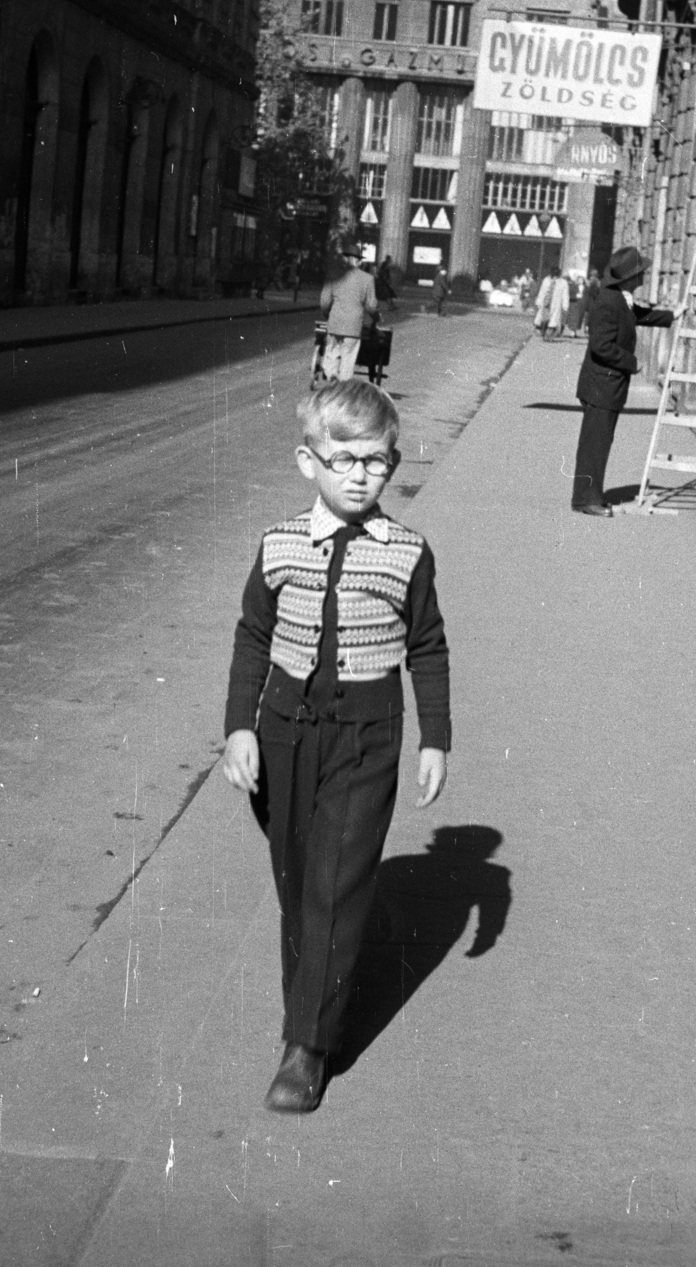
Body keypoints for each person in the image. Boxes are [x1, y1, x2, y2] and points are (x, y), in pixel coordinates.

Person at [221, 379, 450, 1113]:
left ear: (394, 465)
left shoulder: (407, 553)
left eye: (376, 462)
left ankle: (306, 1049)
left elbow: (429, 647)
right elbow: (253, 636)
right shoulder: (281, 544)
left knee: (334, 884)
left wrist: (434, 739)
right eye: (343, 458)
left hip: (367, 738)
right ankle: (311, 1006)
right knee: (297, 880)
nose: (358, 475)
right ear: (306, 460)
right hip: (285, 735)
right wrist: (239, 728)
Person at [571, 246, 675, 517]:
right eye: (641, 272)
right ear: (629, 277)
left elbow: (638, 314)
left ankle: (588, 496)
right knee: (595, 444)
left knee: (598, 442)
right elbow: (601, 346)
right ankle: (587, 500)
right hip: (601, 386)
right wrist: (632, 362)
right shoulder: (608, 301)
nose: (644, 276)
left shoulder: (620, 298)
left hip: (606, 385)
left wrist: (672, 315)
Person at [319, 238, 376, 380]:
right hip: (354, 325)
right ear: (358, 261)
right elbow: (372, 306)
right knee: (348, 357)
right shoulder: (367, 278)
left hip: (335, 321)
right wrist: (374, 317)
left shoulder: (333, 276)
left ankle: (331, 375)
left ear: (345, 259)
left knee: (331, 352)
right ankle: (343, 383)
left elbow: (324, 302)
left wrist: (328, 315)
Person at [545, 271, 569, 339]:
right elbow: (565, 295)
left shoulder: (550, 281)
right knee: (554, 320)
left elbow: (546, 292)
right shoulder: (563, 283)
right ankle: (549, 335)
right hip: (557, 304)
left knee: (551, 319)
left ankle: (549, 335)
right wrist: (565, 305)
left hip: (550, 304)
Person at [533, 271, 554, 337]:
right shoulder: (548, 280)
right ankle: (539, 329)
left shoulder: (547, 280)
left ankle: (540, 329)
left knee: (543, 316)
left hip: (545, 301)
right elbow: (544, 291)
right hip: (544, 301)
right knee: (542, 316)